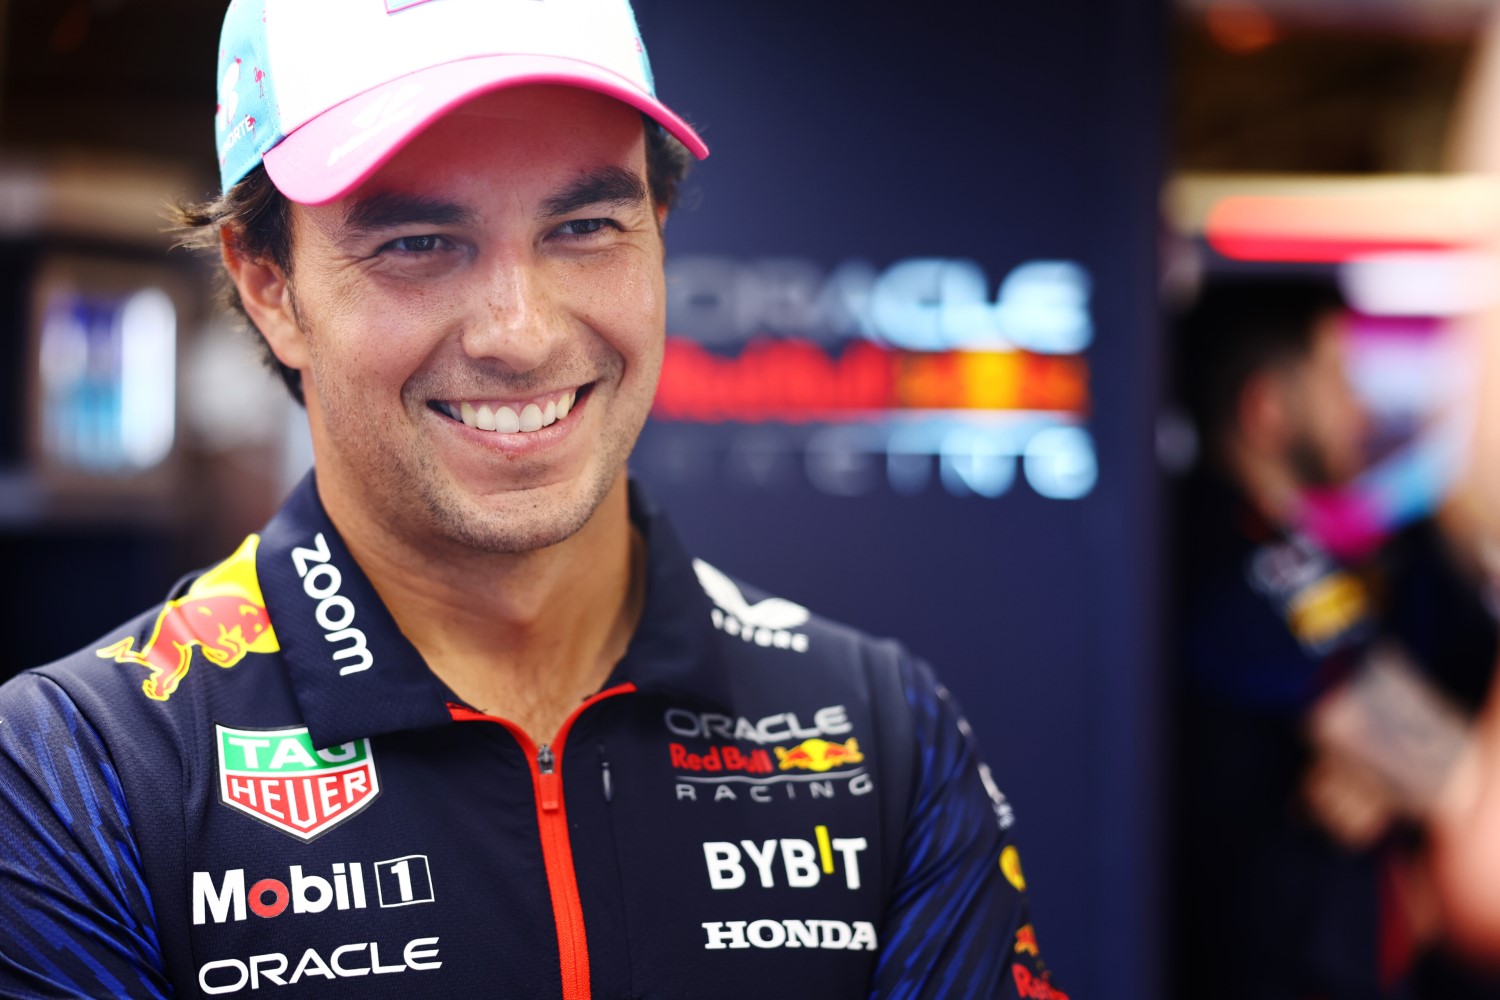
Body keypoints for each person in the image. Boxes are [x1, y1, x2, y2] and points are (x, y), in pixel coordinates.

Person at [0, 2, 1061, 998]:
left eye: (585, 226)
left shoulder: (884, 732)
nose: (522, 332)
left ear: (656, 229)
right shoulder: (76, 775)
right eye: (418, 243)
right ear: (269, 284)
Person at [1170, 279, 1499, 999]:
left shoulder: (1279, 552)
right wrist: (1414, 779)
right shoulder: (1244, 569)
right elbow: (1470, 792)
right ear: (1266, 408)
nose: (1361, 408)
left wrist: (1383, 777)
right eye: (1339, 378)